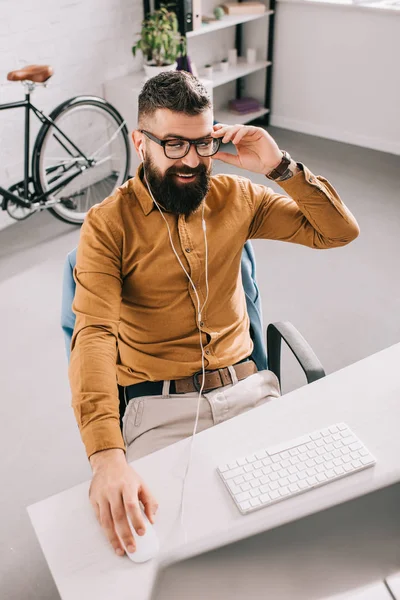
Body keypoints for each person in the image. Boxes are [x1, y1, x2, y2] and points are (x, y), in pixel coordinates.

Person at [69, 71, 359, 558]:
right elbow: (94, 334)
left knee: (312, 530)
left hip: (249, 394)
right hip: (160, 413)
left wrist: (280, 166)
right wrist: (106, 457)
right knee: (162, 555)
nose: (190, 160)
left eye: (201, 144)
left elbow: (337, 231)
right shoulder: (107, 225)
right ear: (141, 142)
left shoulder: (236, 198)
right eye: (173, 144)